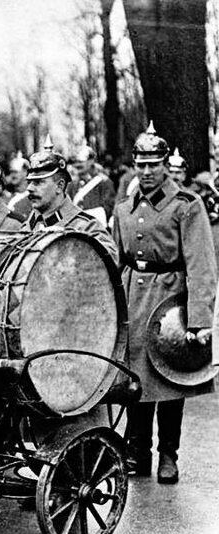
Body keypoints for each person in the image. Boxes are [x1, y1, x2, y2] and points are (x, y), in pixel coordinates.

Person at [113, 122, 217, 484]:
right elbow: (117, 259)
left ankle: (168, 455)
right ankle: (138, 450)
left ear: (164, 166)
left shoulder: (186, 205)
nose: (146, 172)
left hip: (170, 299)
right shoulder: (124, 207)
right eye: (140, 165)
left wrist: (201, 319)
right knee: (135, 380)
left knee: (172, 379)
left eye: (153, 165)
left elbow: (202, 264)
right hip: (132, 299)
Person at [22, 136, 118, 262]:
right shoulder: (29, 225)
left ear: (60, 186)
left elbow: (110, 263)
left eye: (38, 182)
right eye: (29, 182)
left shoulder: (86, 227)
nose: (29, 188)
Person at [69, 144, 116, 225]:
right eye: (75, 162)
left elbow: (108, 208)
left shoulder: (104, 182)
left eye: (80, 161)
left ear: (91, 161)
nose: (77, 165)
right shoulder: (72, 184)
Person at [5, 151, 32, 219]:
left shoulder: (32, 198)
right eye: (11, 172)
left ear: (25, 172)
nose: (13, 175)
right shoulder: (5, 197)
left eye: (16, 172)